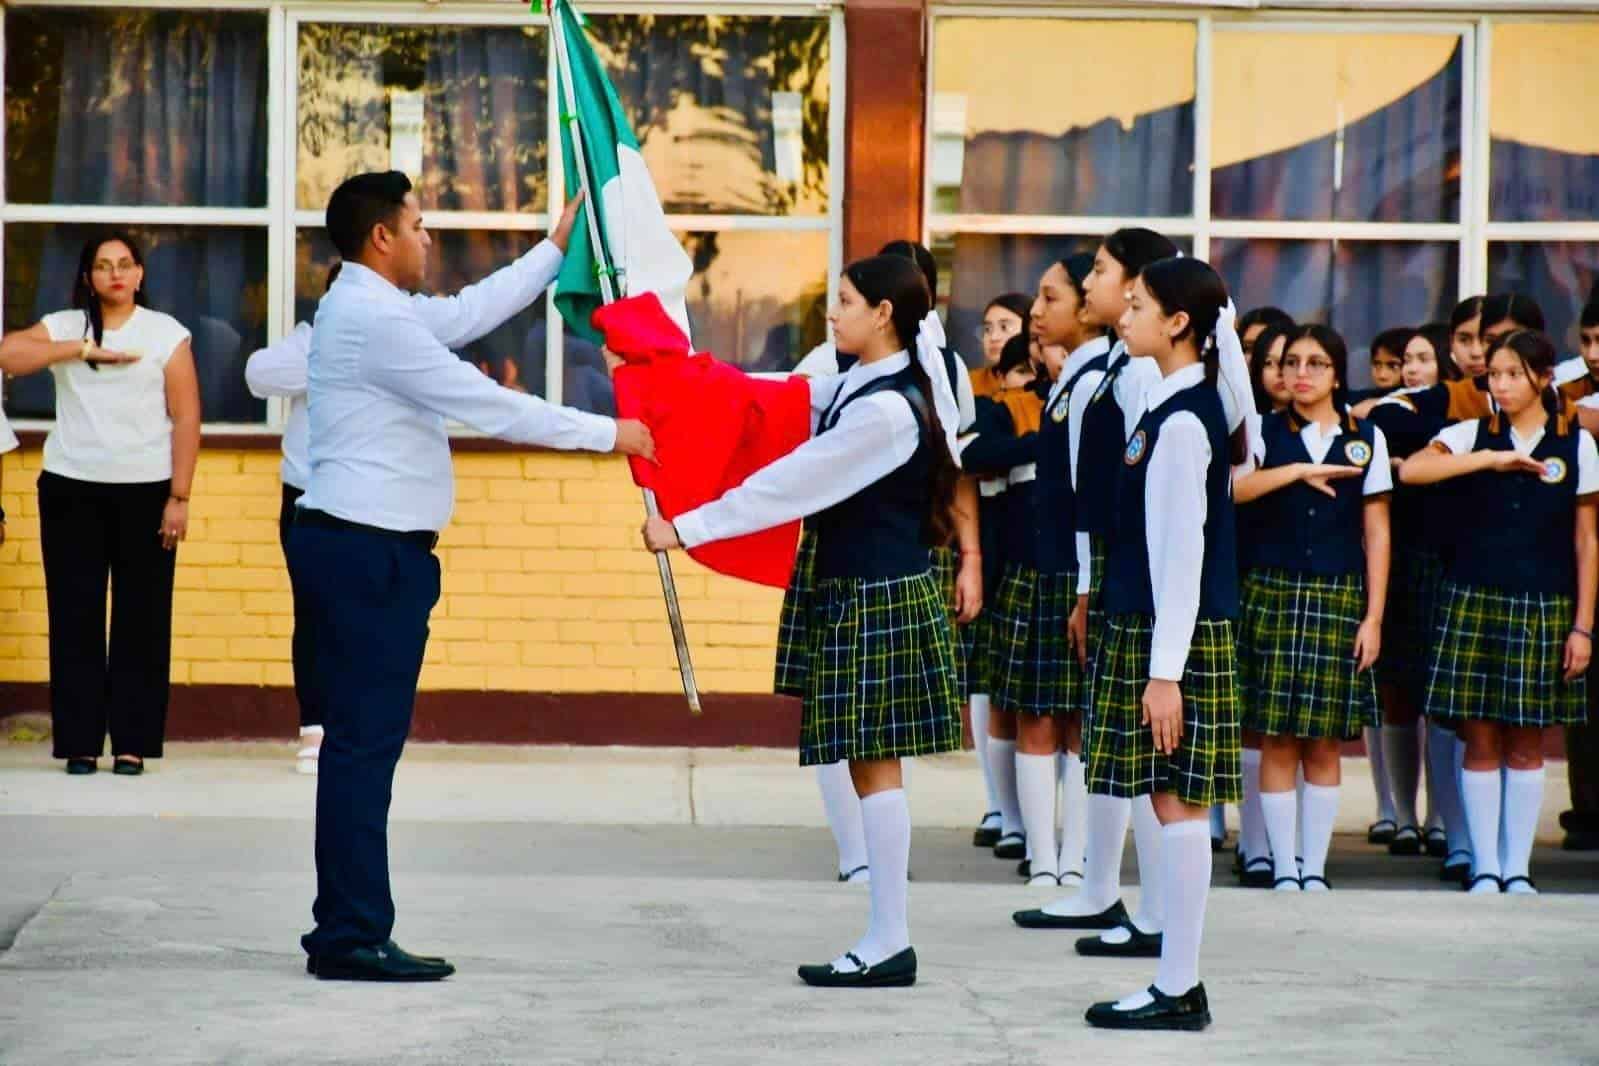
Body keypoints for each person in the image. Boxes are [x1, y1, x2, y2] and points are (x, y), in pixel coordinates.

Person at [290, 172, 653, 982]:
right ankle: (349, 934)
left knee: (360, 749)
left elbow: (464, 316)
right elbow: (489, 404)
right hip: (365, 550)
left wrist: (553, 250)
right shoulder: (371, 320)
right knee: (361, 750)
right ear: (381, 237)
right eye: (418, 226)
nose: (428, 240)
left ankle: (346, 927)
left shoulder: (375, 308)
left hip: (365, 547)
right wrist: (612, 435)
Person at [644, 253, 965, 988]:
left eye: (846, 300)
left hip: (875, 594)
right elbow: (773, 397)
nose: (833, 311)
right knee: (865, 762)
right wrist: (663, 379)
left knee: (874, 764)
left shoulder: (885, 411)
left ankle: (889, 938)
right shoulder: (865, 383)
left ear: (884, 314)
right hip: (861, 588)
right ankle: (886, 933)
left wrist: (687, 527)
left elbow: (789, 482)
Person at [1082, 256, 1242, 1031]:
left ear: (1178, 322)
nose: (1123, 312)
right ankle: (1172, 978)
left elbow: (1180, 555)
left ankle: (1179, 984)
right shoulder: (1166, 399)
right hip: (1154, 629)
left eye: (1138, 304)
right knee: (1165, 797)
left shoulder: (1181, 421)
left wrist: (1163, 674)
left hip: (1169, 634)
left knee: (1177, 803)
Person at [1012, 229, 1178, 946]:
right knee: (1110, 738)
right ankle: (1097, 889)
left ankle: (1146, 907)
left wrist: (1088, 587)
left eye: (1099, 274)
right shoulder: (1108, 367)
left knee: (1133, 742)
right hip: (1098, 569)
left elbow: (1125, 493)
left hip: (1126, 573)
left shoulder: (1138, 374)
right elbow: (1082, 490)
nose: (1087, 289)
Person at [1400, 329, 1596, 894]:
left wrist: (1583, 625)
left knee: (1529, 738)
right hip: (1472, 595)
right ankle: (1485, 863)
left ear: (1543, 378)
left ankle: (1518, 867)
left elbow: (1587, 540)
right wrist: (1489, 459)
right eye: (1495, 375)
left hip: (1544, 601)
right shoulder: (1470, 434)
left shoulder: (1573, 441)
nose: (1502, 385)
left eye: (1514, 374)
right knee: (1480, 734)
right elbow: (1412, 470)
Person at [0, 231, 201, 776]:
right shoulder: (64, 325)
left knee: (142, 617)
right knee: (74, 616)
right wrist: (79, 350)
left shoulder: (165, 334)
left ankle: (133, 743)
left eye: (125, 264)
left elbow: (186, 417)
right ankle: (80, 744)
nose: (115, 274)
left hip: (147, 489)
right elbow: (9, 355)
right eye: (103, 266)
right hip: (71, 487)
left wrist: (178, 497)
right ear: (87, 276)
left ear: (140, 274)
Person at [1235, 324, 1391, 891]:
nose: (1300, 373)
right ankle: (1281, 867)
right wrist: (1298, 472)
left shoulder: (1366, 437)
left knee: (1324, 740)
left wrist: (1373, 616)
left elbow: (1377, 531)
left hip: (1337, 595)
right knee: (1276, 735)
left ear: (1336, 373)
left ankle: (1314, 867)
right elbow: (1233, 490)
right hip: (1272, 591)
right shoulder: (1263, 431)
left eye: (1316, 363)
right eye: (1291, 362)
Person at [960, 334, 1042, 855]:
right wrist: (1041, 443)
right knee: (1002, 698)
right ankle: (1009, 816)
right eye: (1022, 375)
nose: (1030, 386)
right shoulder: (996, 411)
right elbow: (973, 455)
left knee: (1054, 714)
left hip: (1050, 569)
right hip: (1004, 569)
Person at [1235, 320, 1294, 887]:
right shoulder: (1247, 423)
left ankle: (1272, 847)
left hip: (1291, 579)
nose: (1281, 373)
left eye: (1291, 360)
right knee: (1245, 716)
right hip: (1242, 571)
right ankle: (1247, 842)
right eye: (1271, 361)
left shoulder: (1323, 423)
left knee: (1280, 723)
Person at [971, 293, 1033, 396]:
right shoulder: (967, 382)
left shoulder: (1046, 383)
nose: (994, 337)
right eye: (987, 329)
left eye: (1004, 327)